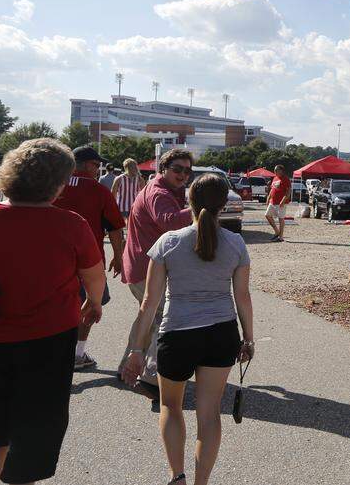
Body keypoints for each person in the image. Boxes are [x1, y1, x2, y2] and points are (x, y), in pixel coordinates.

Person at [0, 138, 105, 485]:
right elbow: (94, 277)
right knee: (39, 417)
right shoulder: (71, 225)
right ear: (57, 184)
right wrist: (94, 304)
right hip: (49, 338)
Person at [122, 174, 254, 485]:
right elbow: (243, 298)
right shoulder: (236, 243)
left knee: (171, 405)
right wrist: (248, 339)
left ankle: (176, 476)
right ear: (224, 205)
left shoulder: (167, 243)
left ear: (187, 202)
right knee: (209, 414)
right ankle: (201, 483)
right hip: (222, 334)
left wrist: (137, 351)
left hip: (177, 333)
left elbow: (150, 304)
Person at [119, 148, 193, 397]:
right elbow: (170, 221)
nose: (183, 174)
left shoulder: (168, 189)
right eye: (177, 169)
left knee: (146, 317)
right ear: (163, 169)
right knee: (161, 317)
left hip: (143, 263)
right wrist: (202, 208)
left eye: (186, 170)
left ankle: (127, 368)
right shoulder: (159, 191)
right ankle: (150, 378)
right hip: (146, 266)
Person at [53, 145, 126, 371]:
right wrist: (118, 256)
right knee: (90, 305)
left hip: (52, 260)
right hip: (88, 261)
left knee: (56, 306)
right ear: (86, 164)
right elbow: (115, 228)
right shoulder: (98, 191)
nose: (98, 169)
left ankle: (53, 351)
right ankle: (77, 353)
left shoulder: (52, 185)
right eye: (96, 165)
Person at [264, 165, 291, 242]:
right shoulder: (275, 178)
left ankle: (281, 237)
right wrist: (268, 198)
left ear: (281, 171)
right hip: (272, 202)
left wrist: (283, 200)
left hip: (281, 203)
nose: (275, 172)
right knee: (267, 215)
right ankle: (277, 231)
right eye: (274, 170)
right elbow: (272, 189)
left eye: (276, 170)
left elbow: (288, 191)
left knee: (280, 218)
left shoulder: (285, 179)